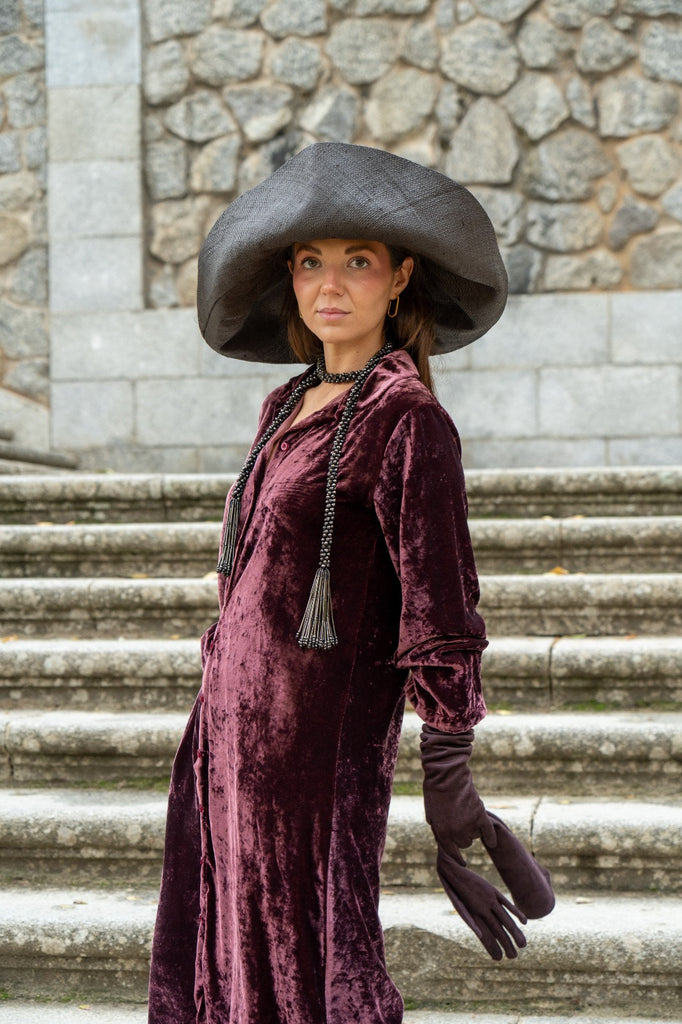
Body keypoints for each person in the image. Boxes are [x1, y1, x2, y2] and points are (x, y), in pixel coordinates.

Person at [148, 142, 554, 1024]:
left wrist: (448, 770)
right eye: (310, 262)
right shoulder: (283, 406)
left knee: (317, 968)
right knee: (225, 960)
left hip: (316, 754)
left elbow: (442, 607)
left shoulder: (407, 417)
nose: (329, 284)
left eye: (357, 262)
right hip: (226, 738)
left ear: (400, 278)